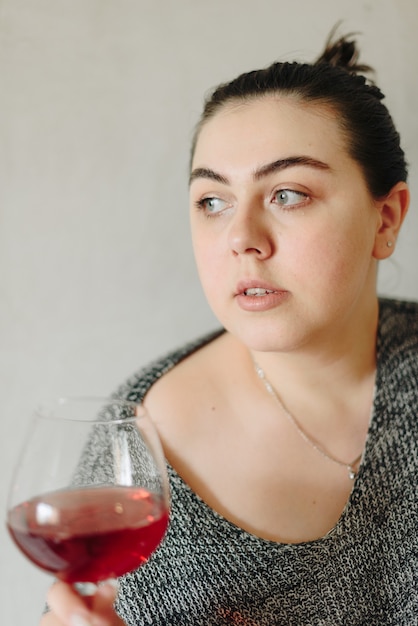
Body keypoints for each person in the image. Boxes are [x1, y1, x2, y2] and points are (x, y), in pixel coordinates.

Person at [41, 28, 417, 626]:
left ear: (386, 217)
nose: (241, 237)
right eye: (211, 201)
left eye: (288, 194)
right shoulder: (139, 450)